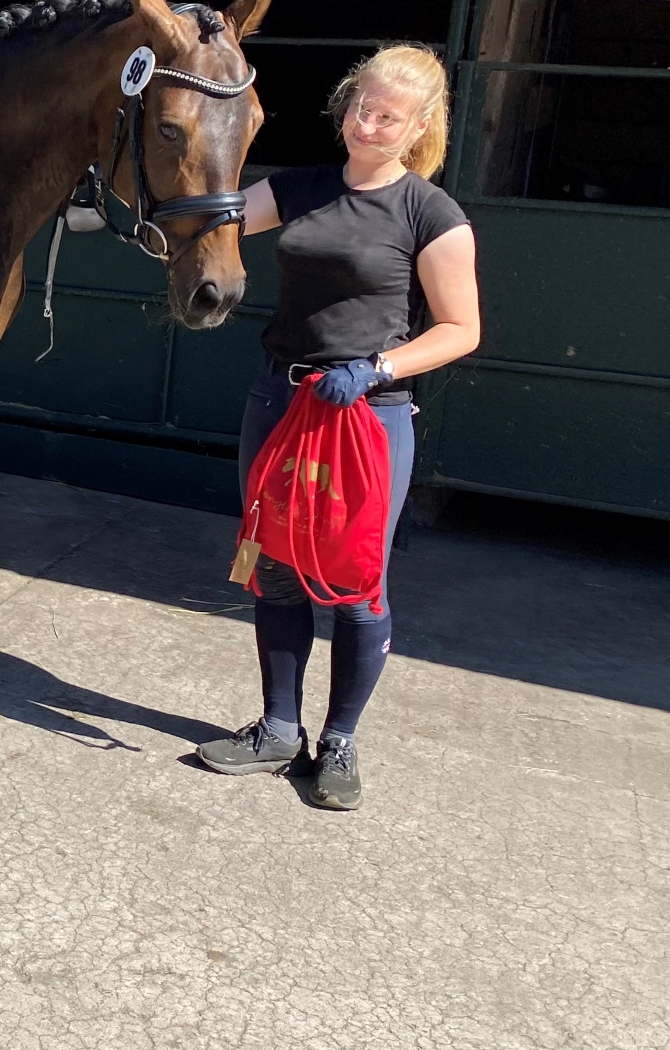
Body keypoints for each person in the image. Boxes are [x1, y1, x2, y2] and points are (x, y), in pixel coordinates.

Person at [195, 43, 482, 811]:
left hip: (364, 414)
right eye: (362, 107)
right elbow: (216, 220)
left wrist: (380, 368)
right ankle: (280, 729)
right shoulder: (303, 188)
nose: (369, 124)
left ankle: (342, 740)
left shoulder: (432, 214)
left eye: (389, 116)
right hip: (279, 401)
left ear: (419, 127)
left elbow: (460, 329)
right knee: (277, 563)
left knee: (355, 582)